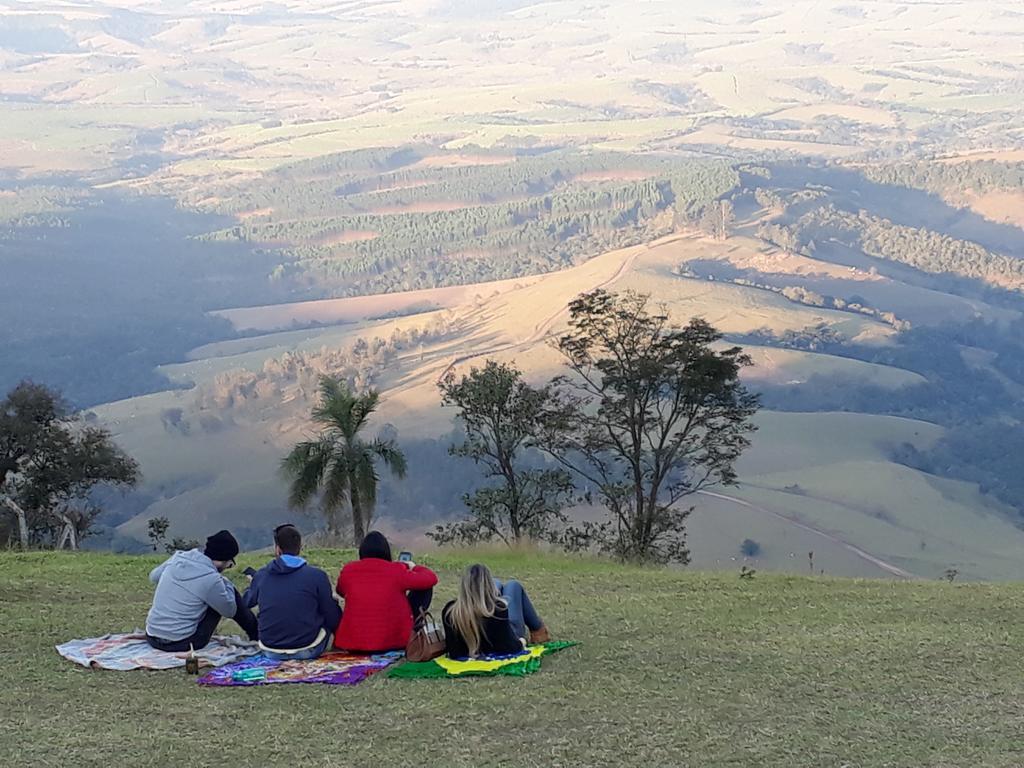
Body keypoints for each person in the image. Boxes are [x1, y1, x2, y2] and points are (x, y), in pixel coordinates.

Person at [145, 529, 258, 652]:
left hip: (152, 636)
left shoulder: (178, 558)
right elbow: (230, 610)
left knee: (214, 595)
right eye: (230, 564)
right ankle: (257, 634)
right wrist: (226, 583)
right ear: (224, 560)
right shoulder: (212, 580)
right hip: (182, 643)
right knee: (227, 594)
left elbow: (154, 577)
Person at [242, 524, 342, 661]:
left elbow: (247, 602)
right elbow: (331, 616)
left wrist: (252, 586)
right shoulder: (317, 576)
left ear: (277, 549)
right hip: (307, 649)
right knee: (329, 605)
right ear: (300, 547)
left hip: (270, 650)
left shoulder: (261, 575)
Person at [334, 531, 438, 652]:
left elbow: (340, 591)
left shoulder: (348, 570)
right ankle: (414, 628)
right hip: (394, 642)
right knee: (424, 587)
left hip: (352, 643)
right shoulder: (396, 569)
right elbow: (431, 578)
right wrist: (413, 567)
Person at [442, 563, 550, 659]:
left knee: (497, 583)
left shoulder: (449, 611)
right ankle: (538, 630)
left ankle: (489, 591)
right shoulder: (498, 609)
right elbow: (511, 647)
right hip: (505, 636)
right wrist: (522, 641)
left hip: (473, 643)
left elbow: (453, 651)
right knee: (513, 585)